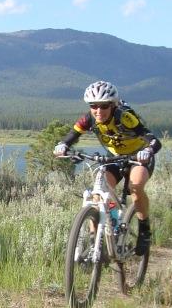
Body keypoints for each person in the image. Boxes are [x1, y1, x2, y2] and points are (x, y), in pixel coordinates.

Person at [53, 80, 161, 255]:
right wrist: (62, 145)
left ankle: (144, 230)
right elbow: (73, 135)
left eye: (103, 106)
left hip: (138, 156)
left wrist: (148, 150)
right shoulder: (89, 118)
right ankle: (97, 240)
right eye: (93, 106)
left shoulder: (125, 117)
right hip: (116, 157)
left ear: (112, 105)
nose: (98, 111)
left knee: (136, 187)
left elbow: (154, 140)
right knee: (99, 193)